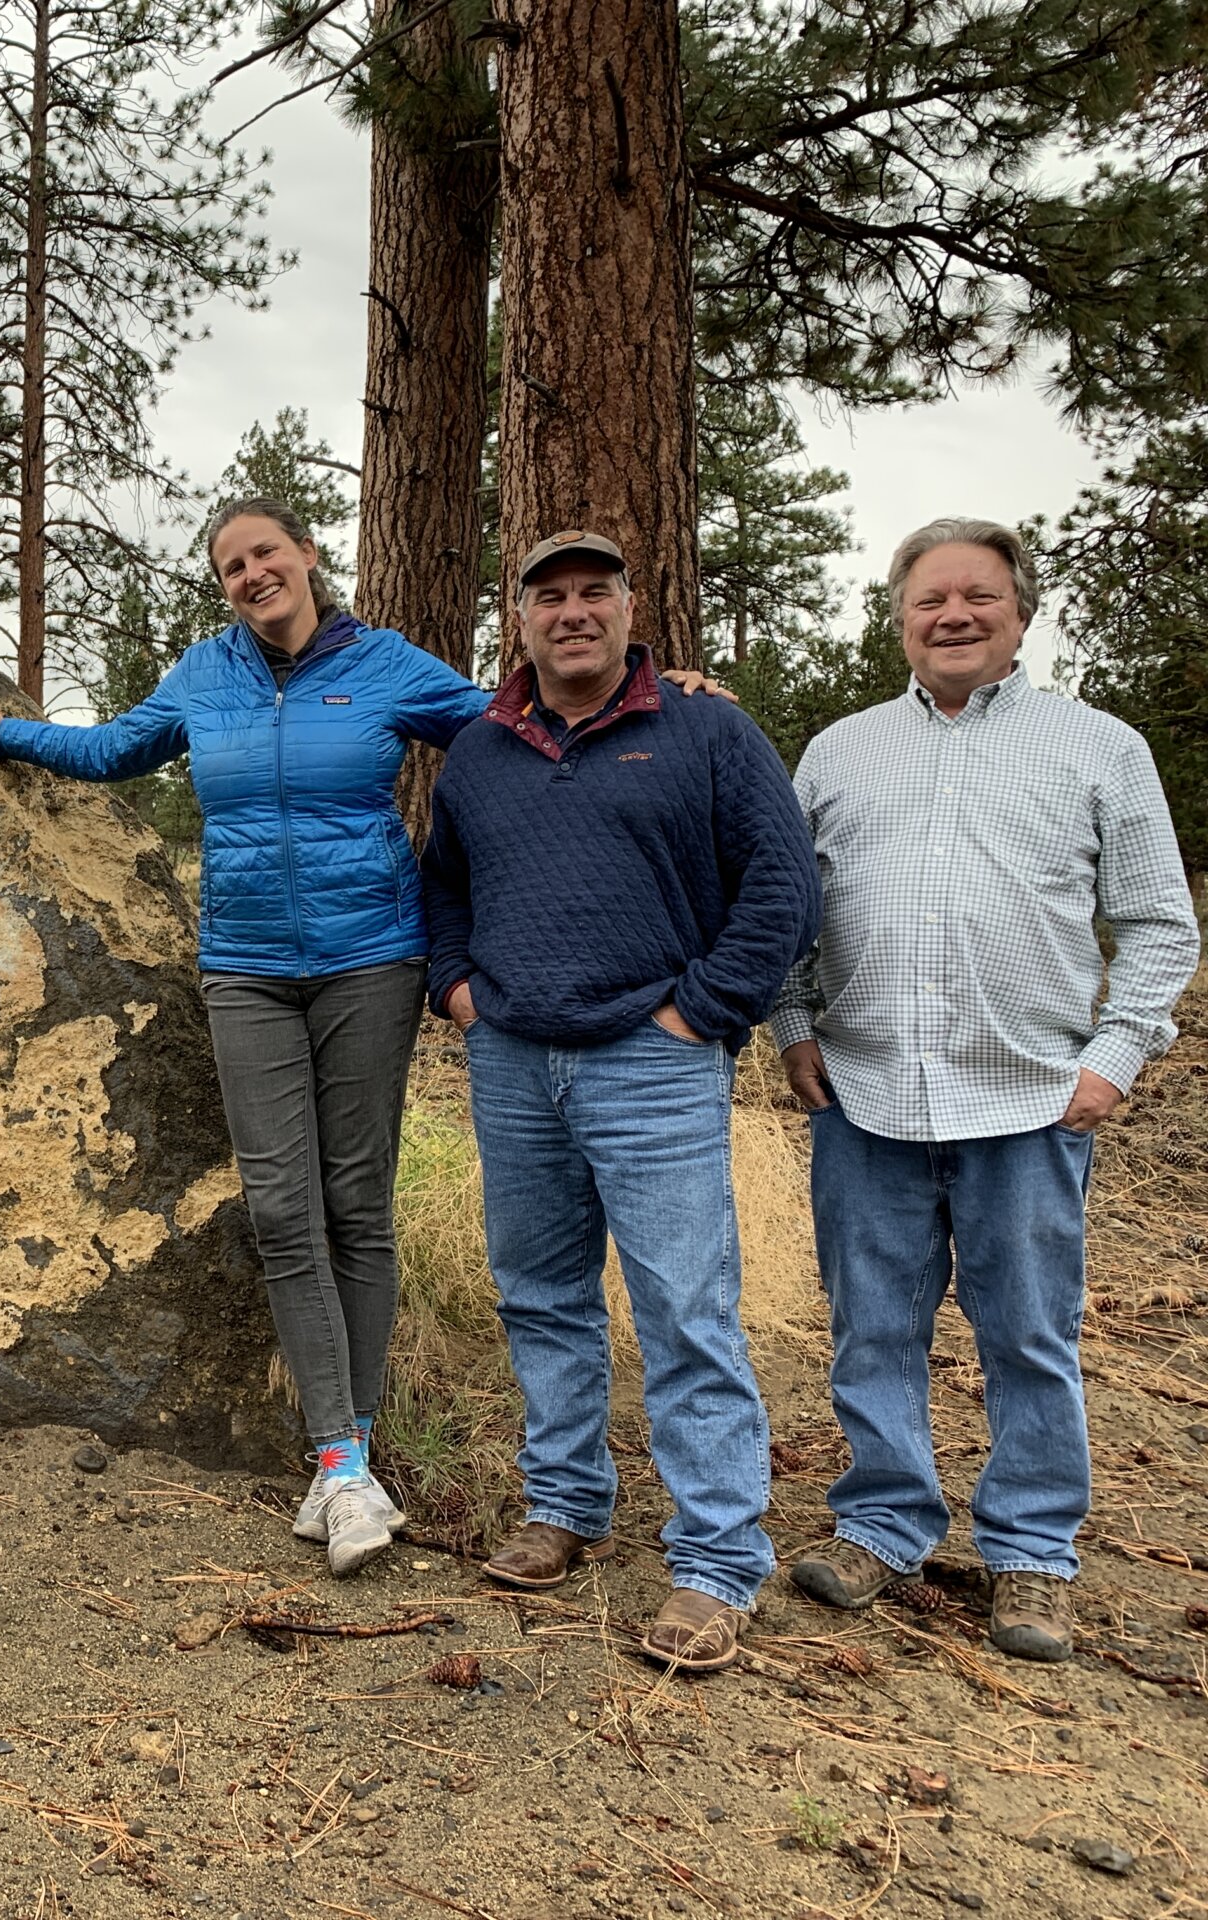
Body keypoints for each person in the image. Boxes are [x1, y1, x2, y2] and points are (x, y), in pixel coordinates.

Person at [0, 500, 528, 1576]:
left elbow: (506, 727)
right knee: (280, 1210)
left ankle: (346, 1455)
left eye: (265, 554)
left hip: (370, 963)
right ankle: (341, 1462)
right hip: (246, 970)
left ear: (306, 558)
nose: (251, 575)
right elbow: (115, 749)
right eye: (230, 566)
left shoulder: (386, 666)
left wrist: (643, 704)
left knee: (358, 1204)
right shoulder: (205, 676)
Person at [772, 517, 1197, 1663]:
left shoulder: (1098, 746)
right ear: (898, 618)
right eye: (929, 600)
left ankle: (1030, 1555)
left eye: (979, 598)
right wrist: (794, 1025)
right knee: (873, 1328)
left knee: (1027, 1333)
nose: (953, 616)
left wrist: (1114, 1057)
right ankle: (881, 1523)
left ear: (1020, 613)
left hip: (1029, 1099)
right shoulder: (838, 751)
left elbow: (1159, 925)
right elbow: (789, 914)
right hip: (863, 1095)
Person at [420, 529, 820, 1672]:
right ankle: (565, 1505)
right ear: (523, 619)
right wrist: (456, 991)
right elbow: (440, 880)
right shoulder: (479, 751)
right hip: (510, 1064)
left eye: (596, 592)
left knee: (685, 1308)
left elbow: (784, 883)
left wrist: (702, 1011)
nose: (574, 611)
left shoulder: (703, 729)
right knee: (540, 1294)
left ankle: (715, 1562)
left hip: (653, 1062)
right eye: (551, 596)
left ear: (631, 607)